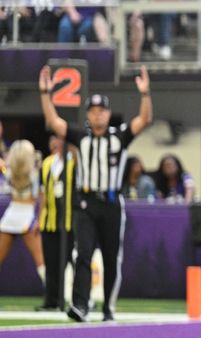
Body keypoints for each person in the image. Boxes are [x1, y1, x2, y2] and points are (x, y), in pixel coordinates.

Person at [38, 65, 153, 322]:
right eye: (93, 111)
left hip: (111, 202)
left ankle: (108, 307)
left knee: (111, 258)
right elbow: (54, 122)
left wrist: (145, 94)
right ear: (88, 115)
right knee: (83, 254)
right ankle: (81, 305)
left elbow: (144, 120)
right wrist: (45, 94)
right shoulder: (81, 137)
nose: (98, 115)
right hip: (86, 202)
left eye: (102, 111)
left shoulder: (119, 137)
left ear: (109, 114)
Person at [37, 135, 77, 311]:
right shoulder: (47, 163)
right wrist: (39, 217)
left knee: (70, 261)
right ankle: (51, 300)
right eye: (52, 139)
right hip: (49, 221)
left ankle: (79, 299)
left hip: (69, 221)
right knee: (51, 262)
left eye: (58, 139)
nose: (54, 142)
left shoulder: (74, 162)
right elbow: (42, 193)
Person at [0, 140, 45, 286]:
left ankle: (54, 292)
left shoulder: (8, 170)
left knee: (41, 261)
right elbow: (41, 197)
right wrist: (39, 219)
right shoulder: (35, 172)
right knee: (41, 261)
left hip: (14, 214)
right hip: (26, 215)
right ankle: (55, 294)